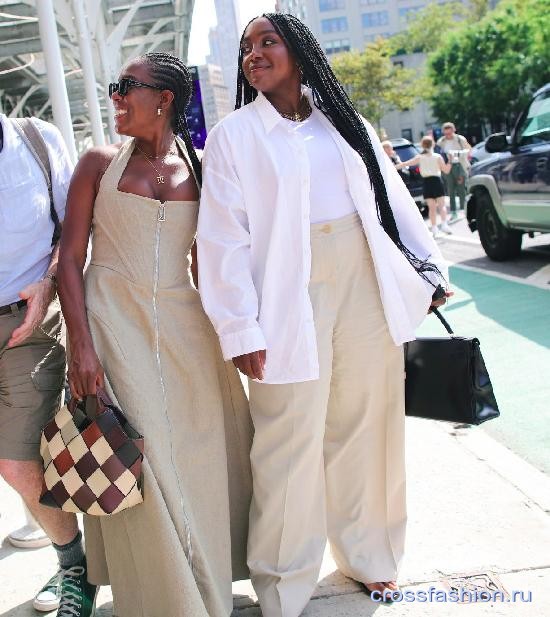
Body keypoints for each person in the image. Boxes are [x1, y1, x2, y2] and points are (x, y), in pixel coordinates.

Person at [197, 13, 450, 617]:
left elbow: (388, 197)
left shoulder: (345, 122)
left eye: (267, 42)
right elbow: (222, 240)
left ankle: (371, 558)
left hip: (363, 275)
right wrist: (239, 327)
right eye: (245, 48)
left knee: (367, 425)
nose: (253, 54)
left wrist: (427, 268)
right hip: (287, 292)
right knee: (289, 437)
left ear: (300, 52)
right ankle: (283, 581)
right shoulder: (235, 135)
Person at [57, 52, 252, 617]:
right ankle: (168, 601)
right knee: (144, 460)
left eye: (126, 87)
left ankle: (205, 585)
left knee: (197, 459)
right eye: (115, 86)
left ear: (163, 97)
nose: (116, 97)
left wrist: (238, 335)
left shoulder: (203, 167)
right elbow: (70, 259)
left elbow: (216, 262)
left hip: (188, 330)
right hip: (112, 325)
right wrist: (82, 346)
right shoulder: (97, 162)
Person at [0, 113, 99, 616]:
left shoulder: (36, 141)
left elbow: (72, 235)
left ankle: (73, 568)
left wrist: (47, 286)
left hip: (27, 324)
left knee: (17, 461)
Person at [396, 135, 452, 237]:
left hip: (426, 183)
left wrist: (393, 166)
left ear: (422, 145)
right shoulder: (437, 157)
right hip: (437, 181)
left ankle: (434, 228)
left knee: (431, 207)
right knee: (441, 205)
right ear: (433, 144)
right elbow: (446, 170)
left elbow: (405, 164)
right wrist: (451, 161)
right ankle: (444, 224)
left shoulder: (420, 157)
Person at [436, 122, 471, 219]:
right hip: (447, 167)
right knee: (450, 189)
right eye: (446, 133)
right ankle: (453, 212)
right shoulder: (441, 141)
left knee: (461, 188)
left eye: (449, 133)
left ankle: (464, 209)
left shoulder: (460, 139)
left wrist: (457, 153)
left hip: (459, 165)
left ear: (453, 130)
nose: (448, 135)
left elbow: (468, 149)